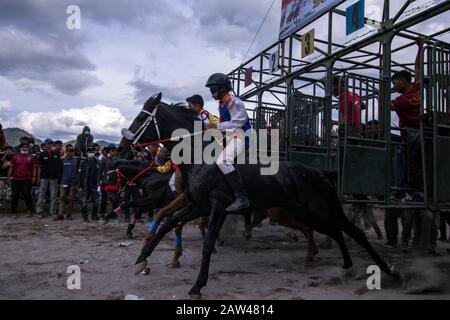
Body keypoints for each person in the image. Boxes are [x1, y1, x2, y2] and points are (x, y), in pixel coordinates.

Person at [204, 73, 251, 212]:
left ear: (223, 88)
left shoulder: (234, 102)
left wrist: (215, 127)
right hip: (231, 137)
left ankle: (242, 198)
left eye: (214, 90)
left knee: (222, 161)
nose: (212, 93)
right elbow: (223, 125)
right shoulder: (221, 104)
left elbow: (238, 122)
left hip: (242, 136)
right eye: (211, 90)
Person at [6, 143, 37, 218]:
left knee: (27, 195)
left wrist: (34, 177)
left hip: (27, 179)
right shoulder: (15, 157)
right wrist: (8, 176)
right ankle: (14, 211)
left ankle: (29, 210)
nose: (25, 148)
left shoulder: (32, 157)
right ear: (20, 149)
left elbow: (34, 167)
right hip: (16, 179)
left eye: (26, 147)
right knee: (14, 195)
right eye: (23, 147)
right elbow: (11, 167)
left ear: (28, 149)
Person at [35, 138, 61, 218]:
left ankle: (52, 211)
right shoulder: (42, 154)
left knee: (54, 195)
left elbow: (59, 166)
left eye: (51, 144)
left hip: (54, 177)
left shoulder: (56, 153)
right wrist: (38, 177)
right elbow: (39, 166)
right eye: (48, 144)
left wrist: (58, 177)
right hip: (44, 177)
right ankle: (39, 211)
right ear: (45, 145)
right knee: (41, 194)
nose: (50, 145)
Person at [54, 144, 80, 221]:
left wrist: (78, 182)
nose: (70, 152)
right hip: (64, 181)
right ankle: (60, 214)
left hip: (73, 182)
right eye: (69, 151)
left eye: (72, 151)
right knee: (62, 197)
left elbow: (79, 172)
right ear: (66, 151)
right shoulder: (63, 160)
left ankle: (69, 214)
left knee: (71, 198)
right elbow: (59, 172)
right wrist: (59, 182)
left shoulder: (76, 160)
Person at [79, 145, 100, 222]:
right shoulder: (83, 163)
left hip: (94, 185)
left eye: (92, 152)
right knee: (84, 202)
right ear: (87, 153)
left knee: (96, 201)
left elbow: (98, 174)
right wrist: (80, 185)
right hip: (85, 185)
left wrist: (98, 184)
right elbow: (80, 175)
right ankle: (85, 217)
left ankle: (94, 216)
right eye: (89, 152)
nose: (91, 153)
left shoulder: (97, 162)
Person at [99, 143, 120, 220]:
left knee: (115, 199)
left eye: (114, 150)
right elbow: (100, 171)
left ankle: (115, 214)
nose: (113, 152)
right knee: (104, 199)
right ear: (109, 151)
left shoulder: (118, 160)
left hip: (115, 182)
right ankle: (102, 213)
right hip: (105, 182)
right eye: (112, 150)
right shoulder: (104, 159)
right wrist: (99, 180)